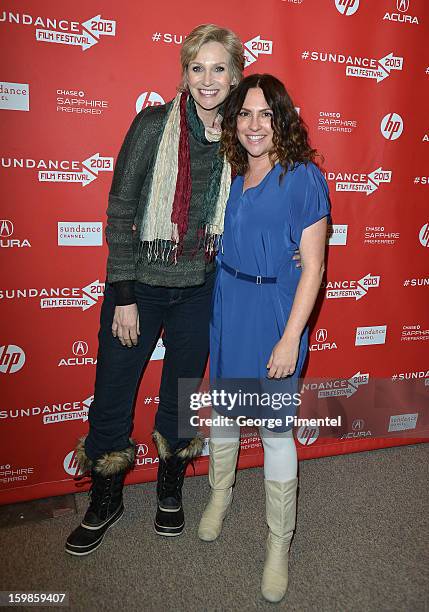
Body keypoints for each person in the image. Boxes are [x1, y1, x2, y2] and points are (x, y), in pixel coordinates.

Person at [65, 24, 246, 556]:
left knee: (182, 393)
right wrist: (121, 293)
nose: (206, 80)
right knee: (115, 392)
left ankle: (170, 484)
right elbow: (121, 208)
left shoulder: (243, 138)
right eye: (197, 67)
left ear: (234, 76)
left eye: (218, 69)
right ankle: (106, 496)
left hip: (199, 288)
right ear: (185, 73)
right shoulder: (152, 127)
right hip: (140, 286)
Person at [197, 74, 330, 603]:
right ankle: (219, 496)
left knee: (275, 431)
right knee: (226, 413)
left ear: (282, 119)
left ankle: (279, 543)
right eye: (246, 114)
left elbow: (315, 266)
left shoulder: (304, 178)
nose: (254, 125)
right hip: (229, 304)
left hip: (276, 313)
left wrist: (290, 339)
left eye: (265, 114)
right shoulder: (230, 172)